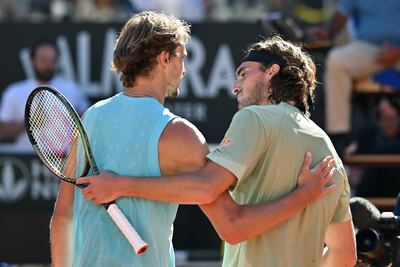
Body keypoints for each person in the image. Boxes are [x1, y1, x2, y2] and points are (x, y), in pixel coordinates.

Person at [51, 12, 340, 267]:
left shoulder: (89, 117)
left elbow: (63, 217)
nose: (185, 69)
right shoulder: (180, 134)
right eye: (182, 58)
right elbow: (231, 224)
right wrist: (303, 196)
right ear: (165, 58)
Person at [309, 0, 400, 154]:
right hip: (369, 48)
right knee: (337, 60)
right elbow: (342, 13)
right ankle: (339, 137)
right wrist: (327, 32)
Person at [0, 39, 89, 151]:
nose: (48, 65)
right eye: (43, 60)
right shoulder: (14, 92)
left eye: (52, 60)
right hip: (27, 159)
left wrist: (71, 117)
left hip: (66, 161)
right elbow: (2, 132)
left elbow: (88, 126)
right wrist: (29, 122)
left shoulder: (73, 89)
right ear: (32, 61)